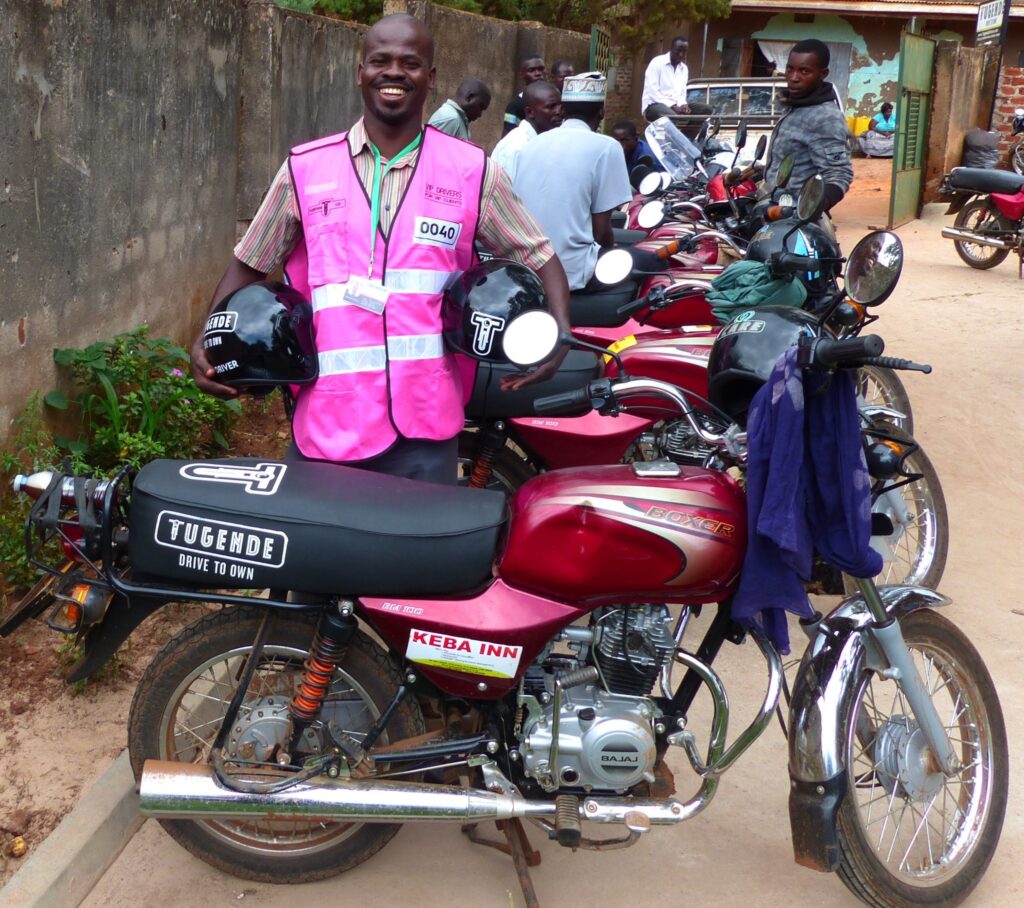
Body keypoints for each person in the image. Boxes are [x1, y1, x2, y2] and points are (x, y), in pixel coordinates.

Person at [190, 13, 570, 485]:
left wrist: (558, 333)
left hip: (425, 427)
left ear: (430, 79)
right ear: (360, 71)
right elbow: (250, 261)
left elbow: (538, 255)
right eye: (380, 61)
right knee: (320, 554)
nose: (393, 72)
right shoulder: (305, 170)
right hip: (329, 421)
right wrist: (208, 339)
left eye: (410, 63)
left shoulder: (473, 172)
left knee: (416, 555)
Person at [512, 72, 633, 290]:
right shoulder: (607, 147)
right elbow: (601, 231)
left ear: (563, 110)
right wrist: (611, 248)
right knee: (650, 264)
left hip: (526, 268)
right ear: (602, 112)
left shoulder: (531, 145)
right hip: (572, 271)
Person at [763, 38, 853, 213]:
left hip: (794, 221)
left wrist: (807, 210)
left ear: (823, 73)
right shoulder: (795, 107)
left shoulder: (825, 117)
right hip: (773, 209)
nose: (794, 78)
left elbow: (839, 175)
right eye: (790, 69)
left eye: (804, 71)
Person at [491, 80, 563, 181]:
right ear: (530, 112)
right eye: (551, 107)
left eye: (561, 105)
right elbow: (508, 192)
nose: (559, 111)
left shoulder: (542, 140)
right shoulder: (517, 147)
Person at [641, 37, 706, 122]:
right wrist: (672, 106)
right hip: (653, 106)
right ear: (671, 48)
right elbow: (653, 92)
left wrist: (683, 104)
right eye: (678, 51)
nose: (681, 55)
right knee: (673, 116)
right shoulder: (657, 62)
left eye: (684, 52)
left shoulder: (684, 69)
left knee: (706, 110)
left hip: (675, 107)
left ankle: (688, 135)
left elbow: (682, 93)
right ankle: (677, 131)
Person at [427, 78, 491, 140]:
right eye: (480, 107)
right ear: (469, 97)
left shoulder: (457, 119)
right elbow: (432, 149)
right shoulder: (451, 119)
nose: (480, 114)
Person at [502, 54, 546, 135]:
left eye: (541, 69)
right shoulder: (515, 106)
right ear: (522, 74)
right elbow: (507, 136)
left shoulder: (553, 99)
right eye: (531, 70)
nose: (538, 73)